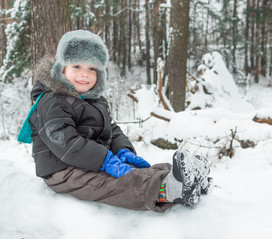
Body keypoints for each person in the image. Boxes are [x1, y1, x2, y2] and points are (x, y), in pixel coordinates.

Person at [18, 30, 212, 213]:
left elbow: (110, 128)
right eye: (77, 66)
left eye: (91, 68)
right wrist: (105, 159)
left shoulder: (93, 101)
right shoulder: (52, 101)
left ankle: (184, 179)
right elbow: (66, 144)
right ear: (62, 68)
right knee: (117, 186)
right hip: (64, 172)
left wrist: (122, 150)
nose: (84, 74)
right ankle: (167, 191)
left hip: (91, 161)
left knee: (139, 170)